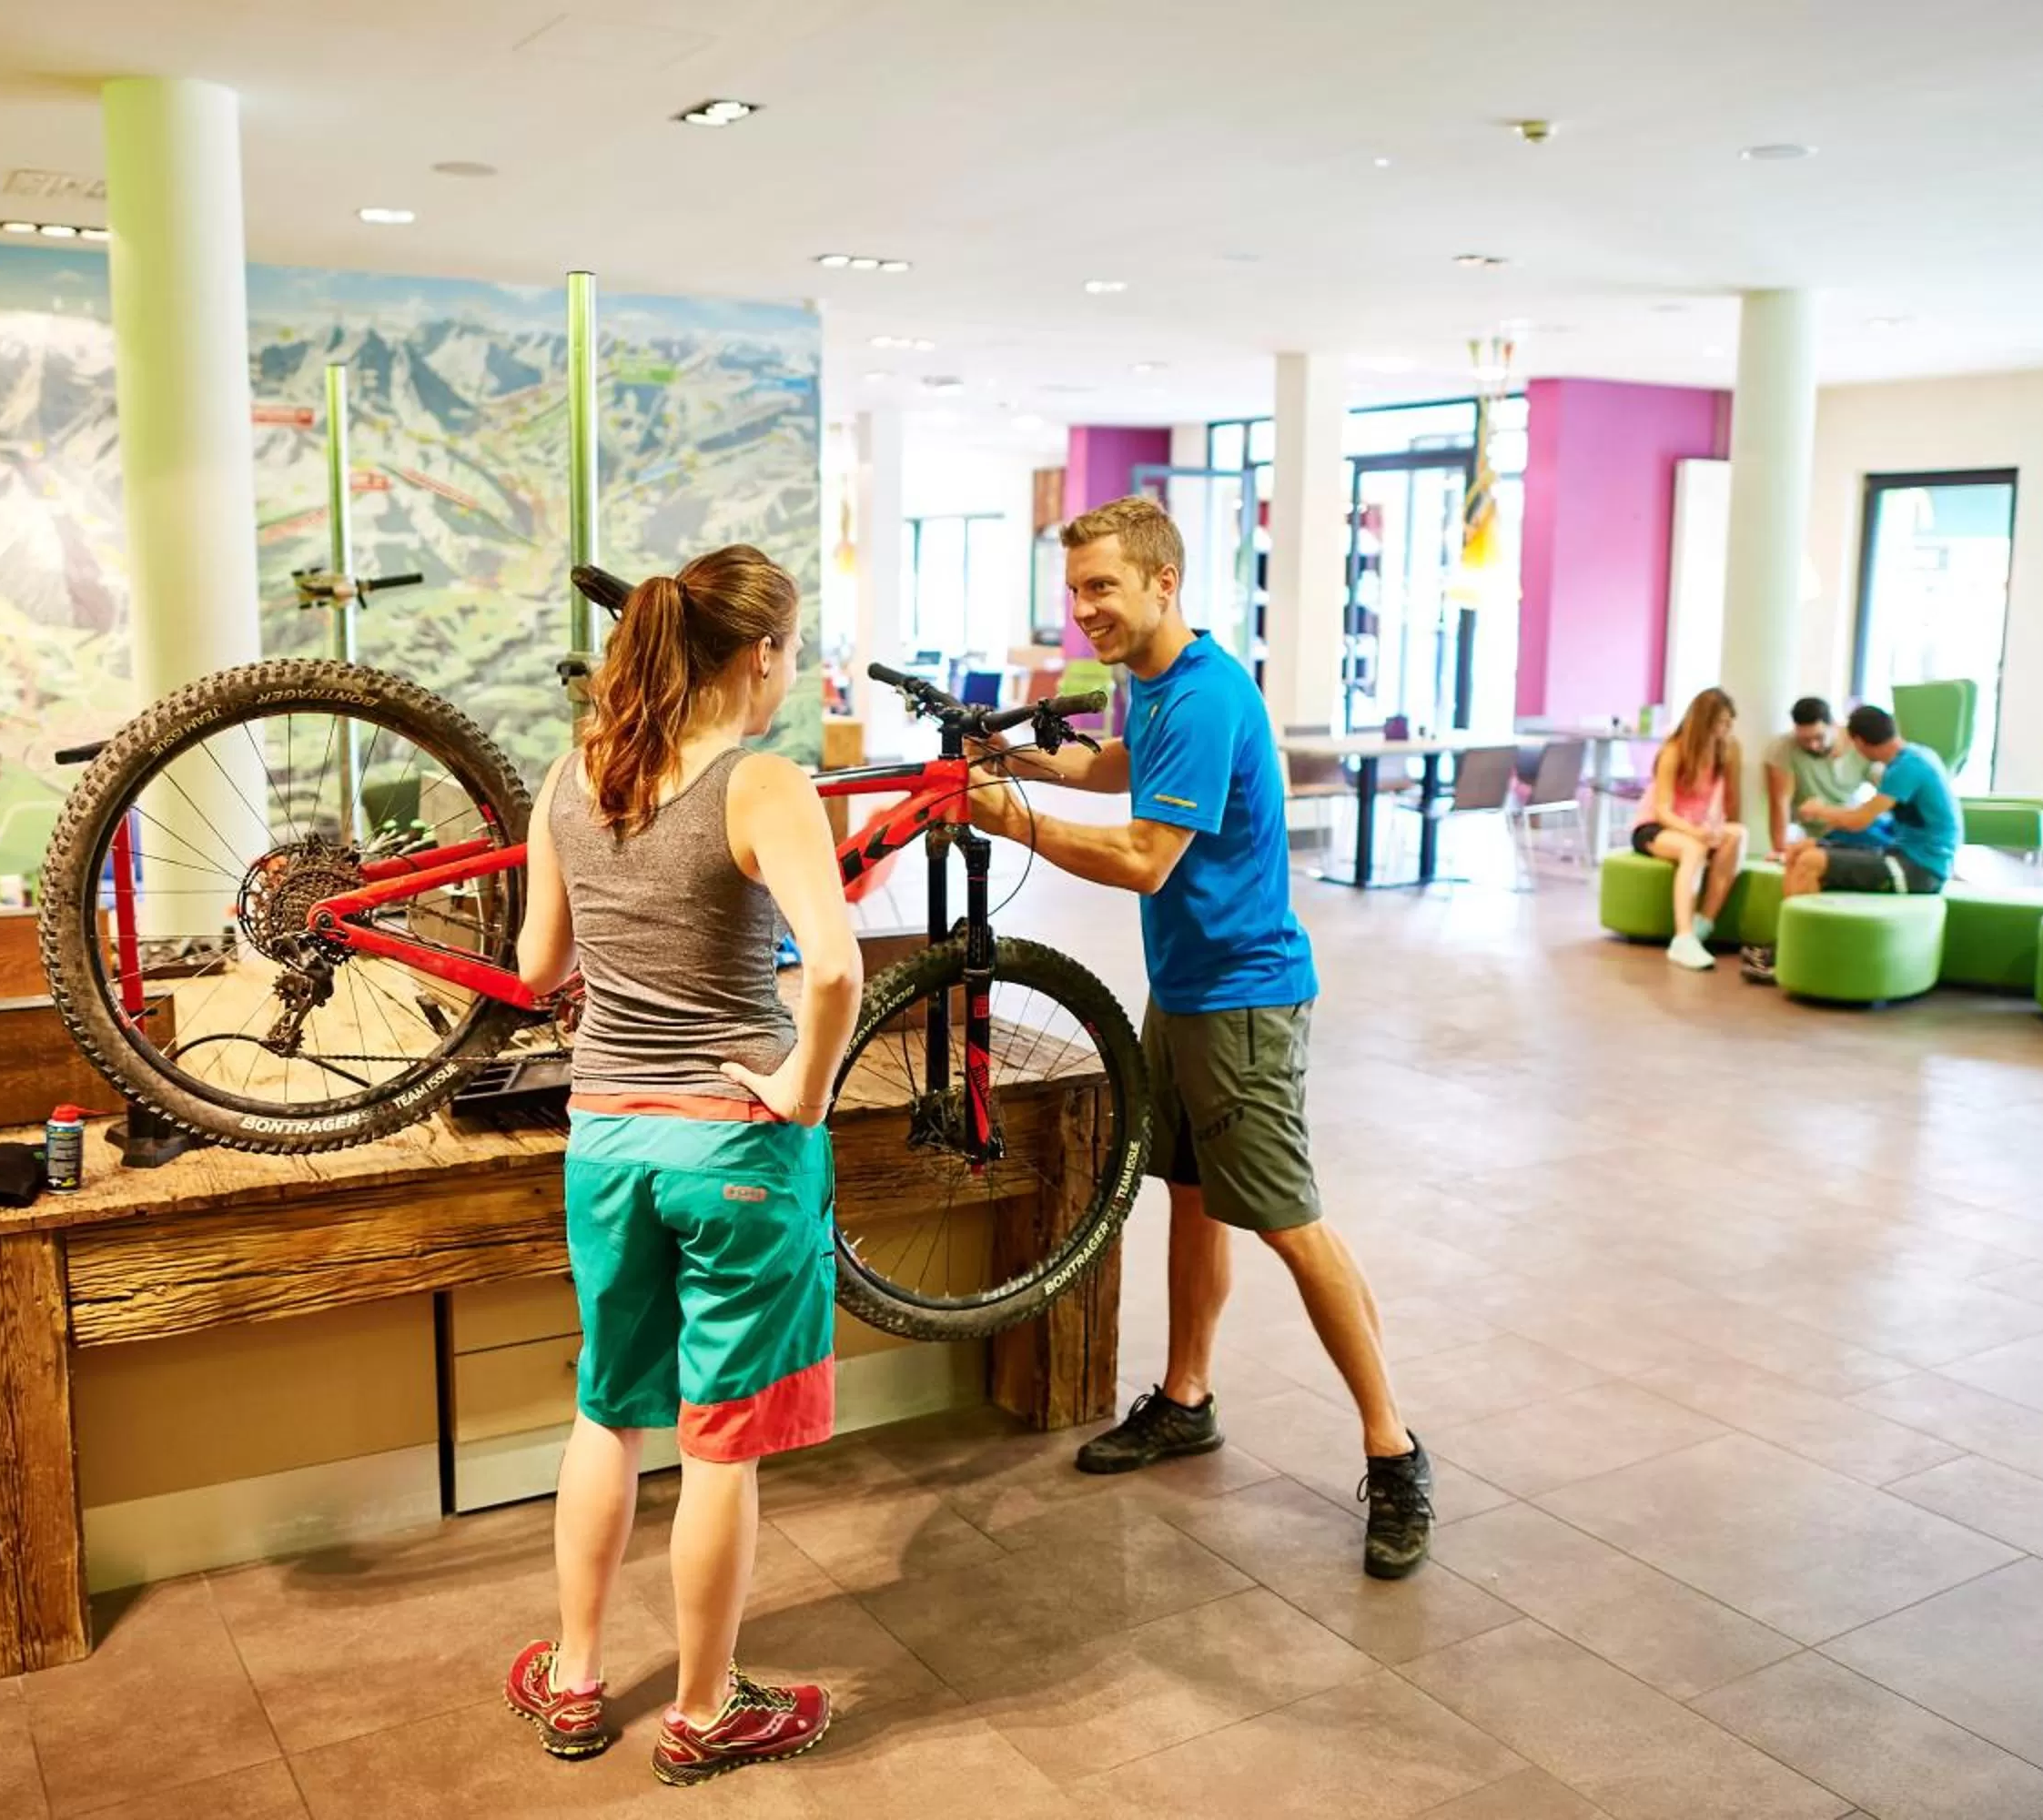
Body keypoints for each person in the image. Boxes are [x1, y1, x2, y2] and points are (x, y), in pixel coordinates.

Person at [965, 494, 1434, 1581]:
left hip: (1244, 1000)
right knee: (1187, 1193)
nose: (1085, 609)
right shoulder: (1156, 680)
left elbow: (1144, 857)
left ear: (1163, 580)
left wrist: (1009, 818)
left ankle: (1394, 1447)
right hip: (1183, 989)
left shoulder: (1210, 693)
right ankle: (1186, 1396)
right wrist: (1017, 762)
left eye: (1102, 587)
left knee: (1289, 1222)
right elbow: (1124, 765)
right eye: (1075, 590)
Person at [503, 545, 862, 1786]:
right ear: (760, 653)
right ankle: (705, 1711)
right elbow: (834, 967)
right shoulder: (762, 783)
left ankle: (574, 1677)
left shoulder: (573, 774)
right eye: (792, 652)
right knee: (718, 1443)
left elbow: (539, 968)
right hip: (733, 1146)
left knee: (607, 1411)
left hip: (606, 1141)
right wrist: (804, 1087)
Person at [1780, 702, 1962, 899]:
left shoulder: (1907, 767)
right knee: (1799, 850)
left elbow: (1859, 821)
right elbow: (1864, 815)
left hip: (1923, 869)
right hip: (1904, 852)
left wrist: (1819, 810)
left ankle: (1806, 920)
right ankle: (1795, 919)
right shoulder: (1912, 757)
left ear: (1859, 742)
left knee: (1810, 861)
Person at [1627, 687, 1747, 972]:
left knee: (1738, 834)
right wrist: (1695, 833)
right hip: (1655, 827)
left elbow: (1723, 804)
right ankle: (1683, 937)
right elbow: (1662, 811)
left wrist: (1713, 830)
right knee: (1693, 850)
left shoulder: (1723, 751)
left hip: (1692, 828)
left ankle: (1703, 923)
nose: (1727, 729)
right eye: (1722, 722)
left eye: (1729, 723)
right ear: (1705, 721)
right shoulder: (1673, 752)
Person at [1764, 695, 1876, 852]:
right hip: (1820, 834)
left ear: (1833, 725)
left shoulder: (1859, 742)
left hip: (1853, 823)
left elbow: (1887, 787)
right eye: (1805, 740)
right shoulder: (1784, 748)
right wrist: (1780, 850)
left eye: (1819, 737)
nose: (1813, 745)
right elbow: (1780, 802)